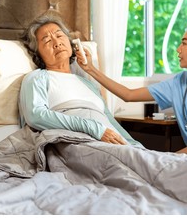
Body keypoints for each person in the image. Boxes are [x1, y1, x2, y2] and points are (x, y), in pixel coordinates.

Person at [76, 22, 187, 155]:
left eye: (184, 43)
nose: (178, 49)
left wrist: (169, 159)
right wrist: (91, 69)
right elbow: (128, 95)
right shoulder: (179, 83)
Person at [18, 14, 143, 148]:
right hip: (76, 142)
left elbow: (110, 121)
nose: (57, 43)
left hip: (114, 142)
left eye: (59, 36)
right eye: (47, 41)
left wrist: (136, 146)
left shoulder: (88, 84)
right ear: (38, 53)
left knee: (154, 160)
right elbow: (36, 116)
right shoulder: (37, 78)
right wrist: (94, 128)